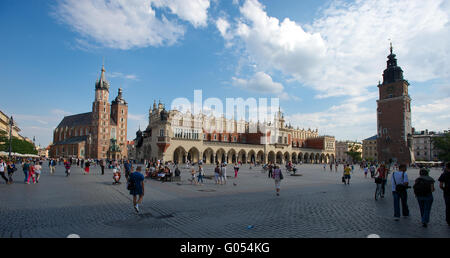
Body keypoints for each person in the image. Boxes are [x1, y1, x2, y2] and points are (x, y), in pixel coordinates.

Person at [438, 162, 450, 226]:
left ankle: (448, 220)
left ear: (446, 167)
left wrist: (444, 189)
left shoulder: (444, 174)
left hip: (447, 193)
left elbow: (440, 185)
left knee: (448, 207)